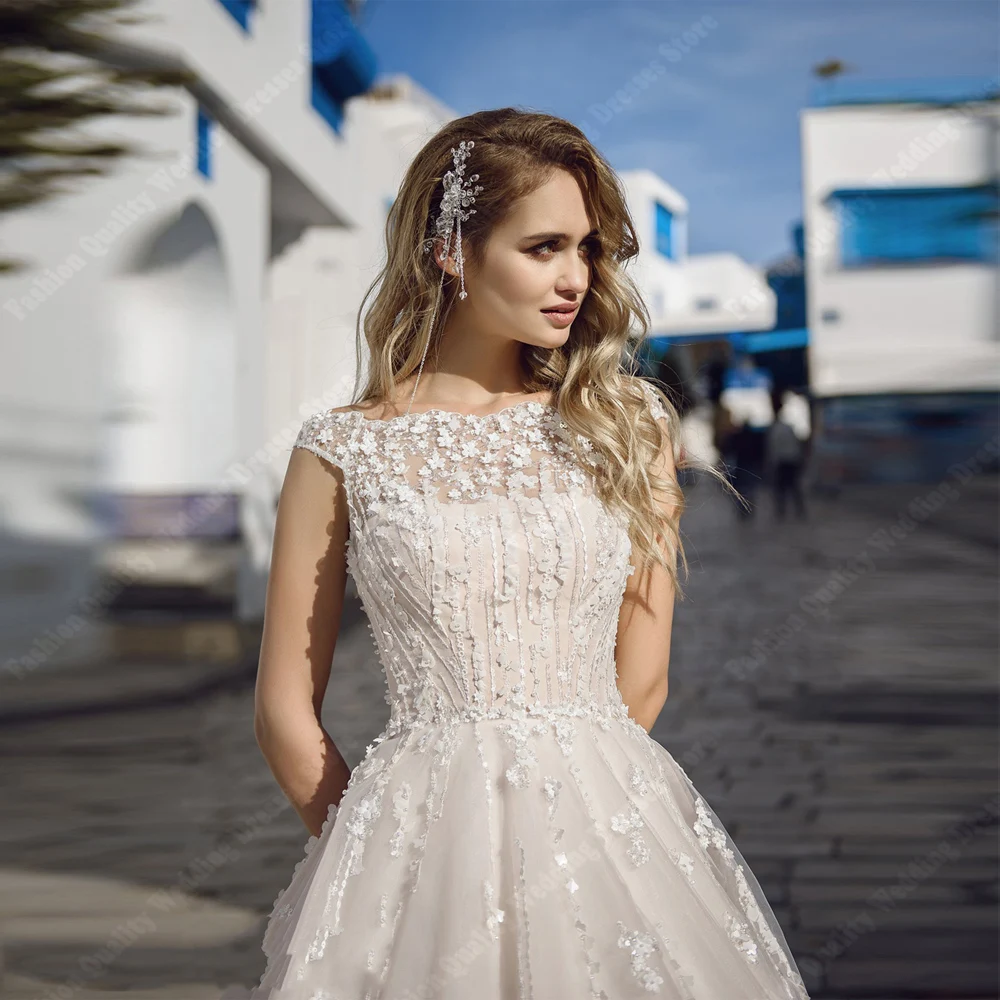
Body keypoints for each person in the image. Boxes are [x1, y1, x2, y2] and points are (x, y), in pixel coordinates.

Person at [238, 110, 811, 999]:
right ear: (449, 252)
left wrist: (565, 844)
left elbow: (643, 677)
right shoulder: (340, 449)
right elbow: (284, 710)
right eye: (543, 246)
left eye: (587, 248)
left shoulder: (627, 425)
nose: (576, 277)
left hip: (607, 831)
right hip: (406, 845)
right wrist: (377, 861)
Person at [766, 390, 811, 522]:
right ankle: (798, 511)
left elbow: (772, 449)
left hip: (783, 462)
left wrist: (771, 462)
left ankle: (782, 511)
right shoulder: (788, 428)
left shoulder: (775, 429)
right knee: (794, 488)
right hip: (791, 460)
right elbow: (796, 445)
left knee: (782, 489)